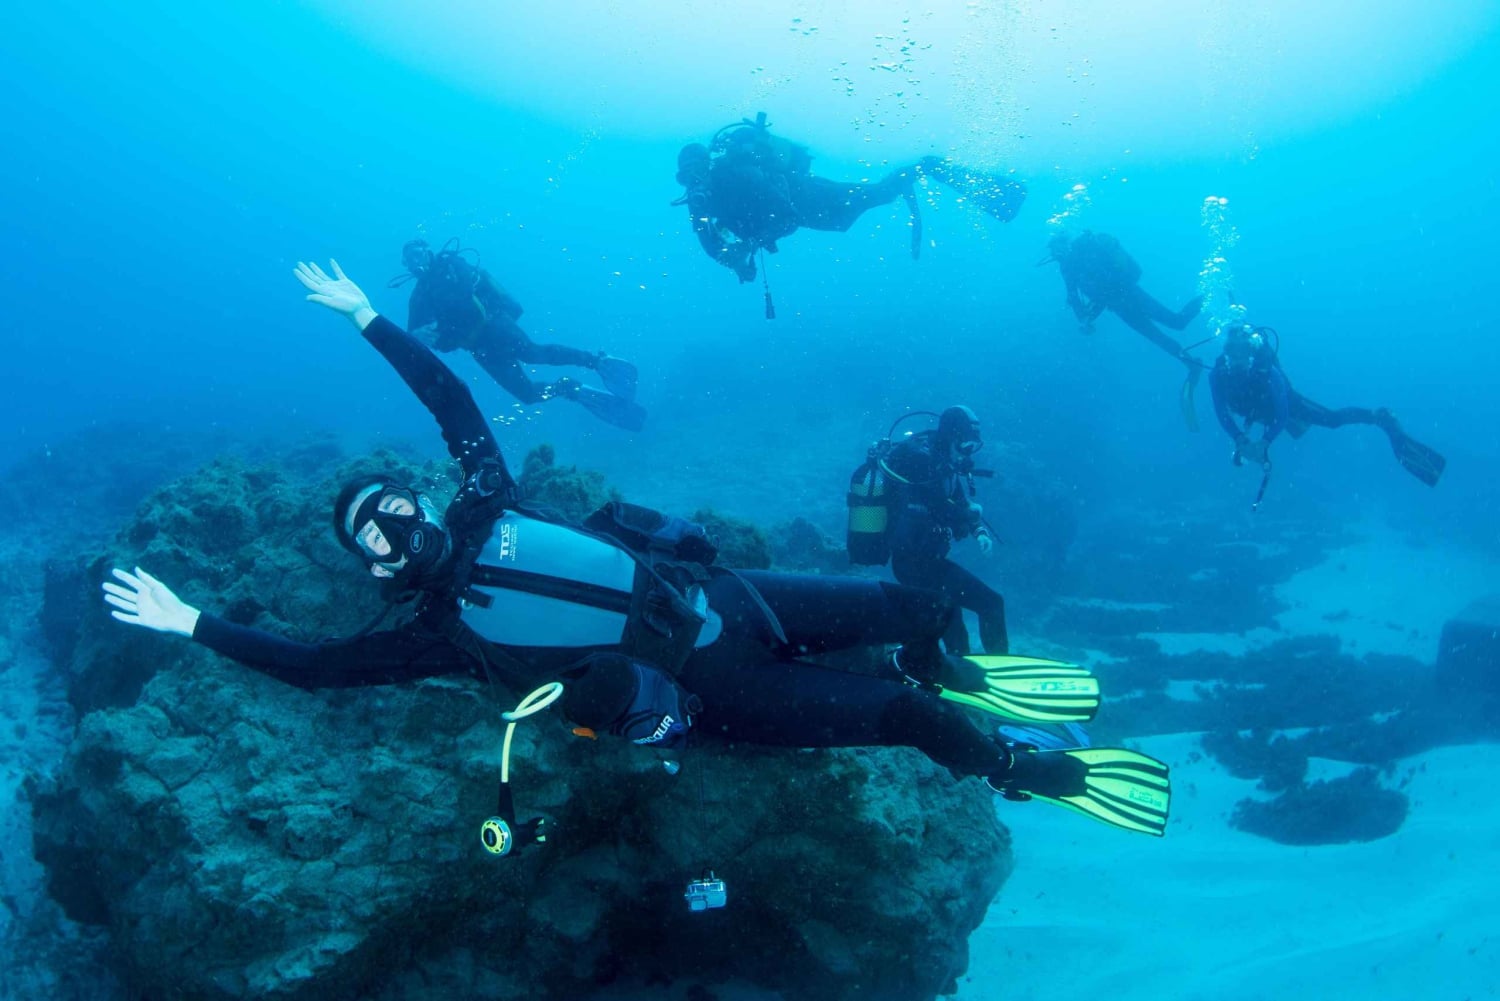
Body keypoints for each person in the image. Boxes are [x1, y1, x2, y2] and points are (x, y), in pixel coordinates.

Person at [99, 260, 1170, 838]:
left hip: (736, 596)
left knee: (917, 604)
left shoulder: (483, 495)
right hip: (717, 691)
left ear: (421, 499)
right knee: (909, 720)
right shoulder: (436, 636)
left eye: (389, 501)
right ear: (374, 564)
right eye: (367, 532)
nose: (390, 522)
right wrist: (192, 620)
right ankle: (1016, 767)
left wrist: (370, 318)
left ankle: (939, 654)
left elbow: (454, 395)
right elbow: (317, 667)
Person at [674, 113, 1027, 287]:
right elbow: (709, 243)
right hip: (817, 213)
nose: (693, 183)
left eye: (697, 173)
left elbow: (788, 217)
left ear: (709, 166)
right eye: (685, 177)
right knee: (875, 199)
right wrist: (735, 261)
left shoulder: (738, 174)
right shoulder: (699, 199)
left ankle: (927, 167)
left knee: (881, 194)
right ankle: (919, 171)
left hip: (815, 196)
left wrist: (748, 244)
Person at [394, 238, 646, 431]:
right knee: (526, 394)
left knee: (533, 353)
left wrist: (438, 329)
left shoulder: (451, 264)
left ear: (428, 251)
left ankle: (595, 361)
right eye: (409, 260)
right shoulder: (419, 295)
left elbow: (461, 294)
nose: (416, 262)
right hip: (478, 348)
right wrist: (419, 334)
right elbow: (410, 337)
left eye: (417, 254)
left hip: (495, 325)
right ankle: (569, 388)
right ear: (406, 265)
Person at [1208, 321, 1446, 486]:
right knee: (1292, 431)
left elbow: (1281, 414)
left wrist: (1265, 442)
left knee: (1332, 421)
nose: (1237, 358)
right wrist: (1240, 439)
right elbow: (1222, 412)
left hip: (1286, 405)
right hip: (1255, 412)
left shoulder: (1268, 372)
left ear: (1252, 351)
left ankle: (1380, 416)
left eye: (1243, 351)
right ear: (1224, 350)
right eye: (1231, 351)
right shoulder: (1217, 374)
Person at [880, 406, 1009, 658]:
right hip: (913, 562)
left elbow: (958, 500)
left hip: (927, 560)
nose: (968, 452)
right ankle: (961, 676)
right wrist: (971, 515)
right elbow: (942, 507)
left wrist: (979, 530)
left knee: (976, 610)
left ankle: (974, 672)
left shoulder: (941, 461)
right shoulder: (923, 461)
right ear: (953, 435)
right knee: (974, 610)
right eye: (966, 443)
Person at [1046, 231, 1204, 370]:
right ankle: (1190, 363)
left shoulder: (1087, 250)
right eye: (1053, 252)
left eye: (1056, 249)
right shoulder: (1066, 267)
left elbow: (1105, 284)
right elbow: (1073, 295)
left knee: (1177, 323)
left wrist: (1088, 315)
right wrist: (1083, 319)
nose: (1055, 255)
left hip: (1131, 294)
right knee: (1156, 337)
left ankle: (1210, 296)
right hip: (1118, 306)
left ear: (1066, 243)